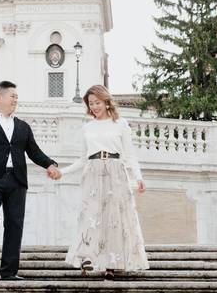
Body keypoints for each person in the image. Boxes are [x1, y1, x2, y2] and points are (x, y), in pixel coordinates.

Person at [0, 80, 61, 281]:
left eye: (16, 97)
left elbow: (34, 152)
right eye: (13, 96)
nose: (15, 100)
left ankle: (9, 271)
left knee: (14, 224)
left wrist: (50, 164)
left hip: (17, 180)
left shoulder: (23, 127)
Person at [56, 84, 149, 279]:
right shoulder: (87, 128)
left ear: (107, 102)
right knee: (90, 216)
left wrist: (138, 177)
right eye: (91, 104)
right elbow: (82, 160)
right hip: (92, 173)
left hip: (116, 172)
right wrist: (62, 172)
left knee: (114, 219)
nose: (94, 107)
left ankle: (111, 265)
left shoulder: (120, 124)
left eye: (97, 102)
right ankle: (87, 259)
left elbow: (130, 155)